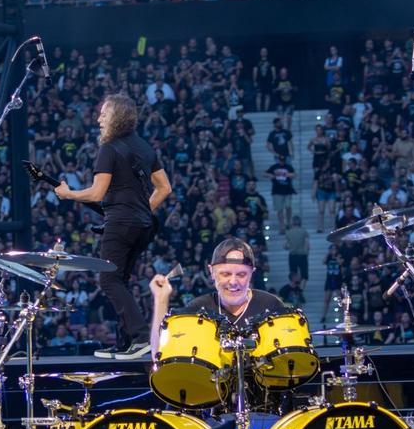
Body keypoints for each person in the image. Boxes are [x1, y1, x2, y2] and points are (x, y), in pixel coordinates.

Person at [55, 94, 171, 360]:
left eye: (104, 114)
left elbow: (96, 194)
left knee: (108, 280)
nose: (99, 119)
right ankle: (126, 342)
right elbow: (165, 188)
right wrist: (142, 210)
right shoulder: (144, 147)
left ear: (116, 117)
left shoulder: (108, 149)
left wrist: (68, 193)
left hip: (120, 224)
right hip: (143, 226)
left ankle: (140, 337)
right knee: (120, 280)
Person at [148, 237, 286, 357]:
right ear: (212, 272)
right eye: (225, 274)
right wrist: (161, 300)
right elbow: (160, 355)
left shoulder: (270, 306)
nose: (233, 282)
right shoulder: (198, 309)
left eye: (241, 275)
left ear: (252, 274)